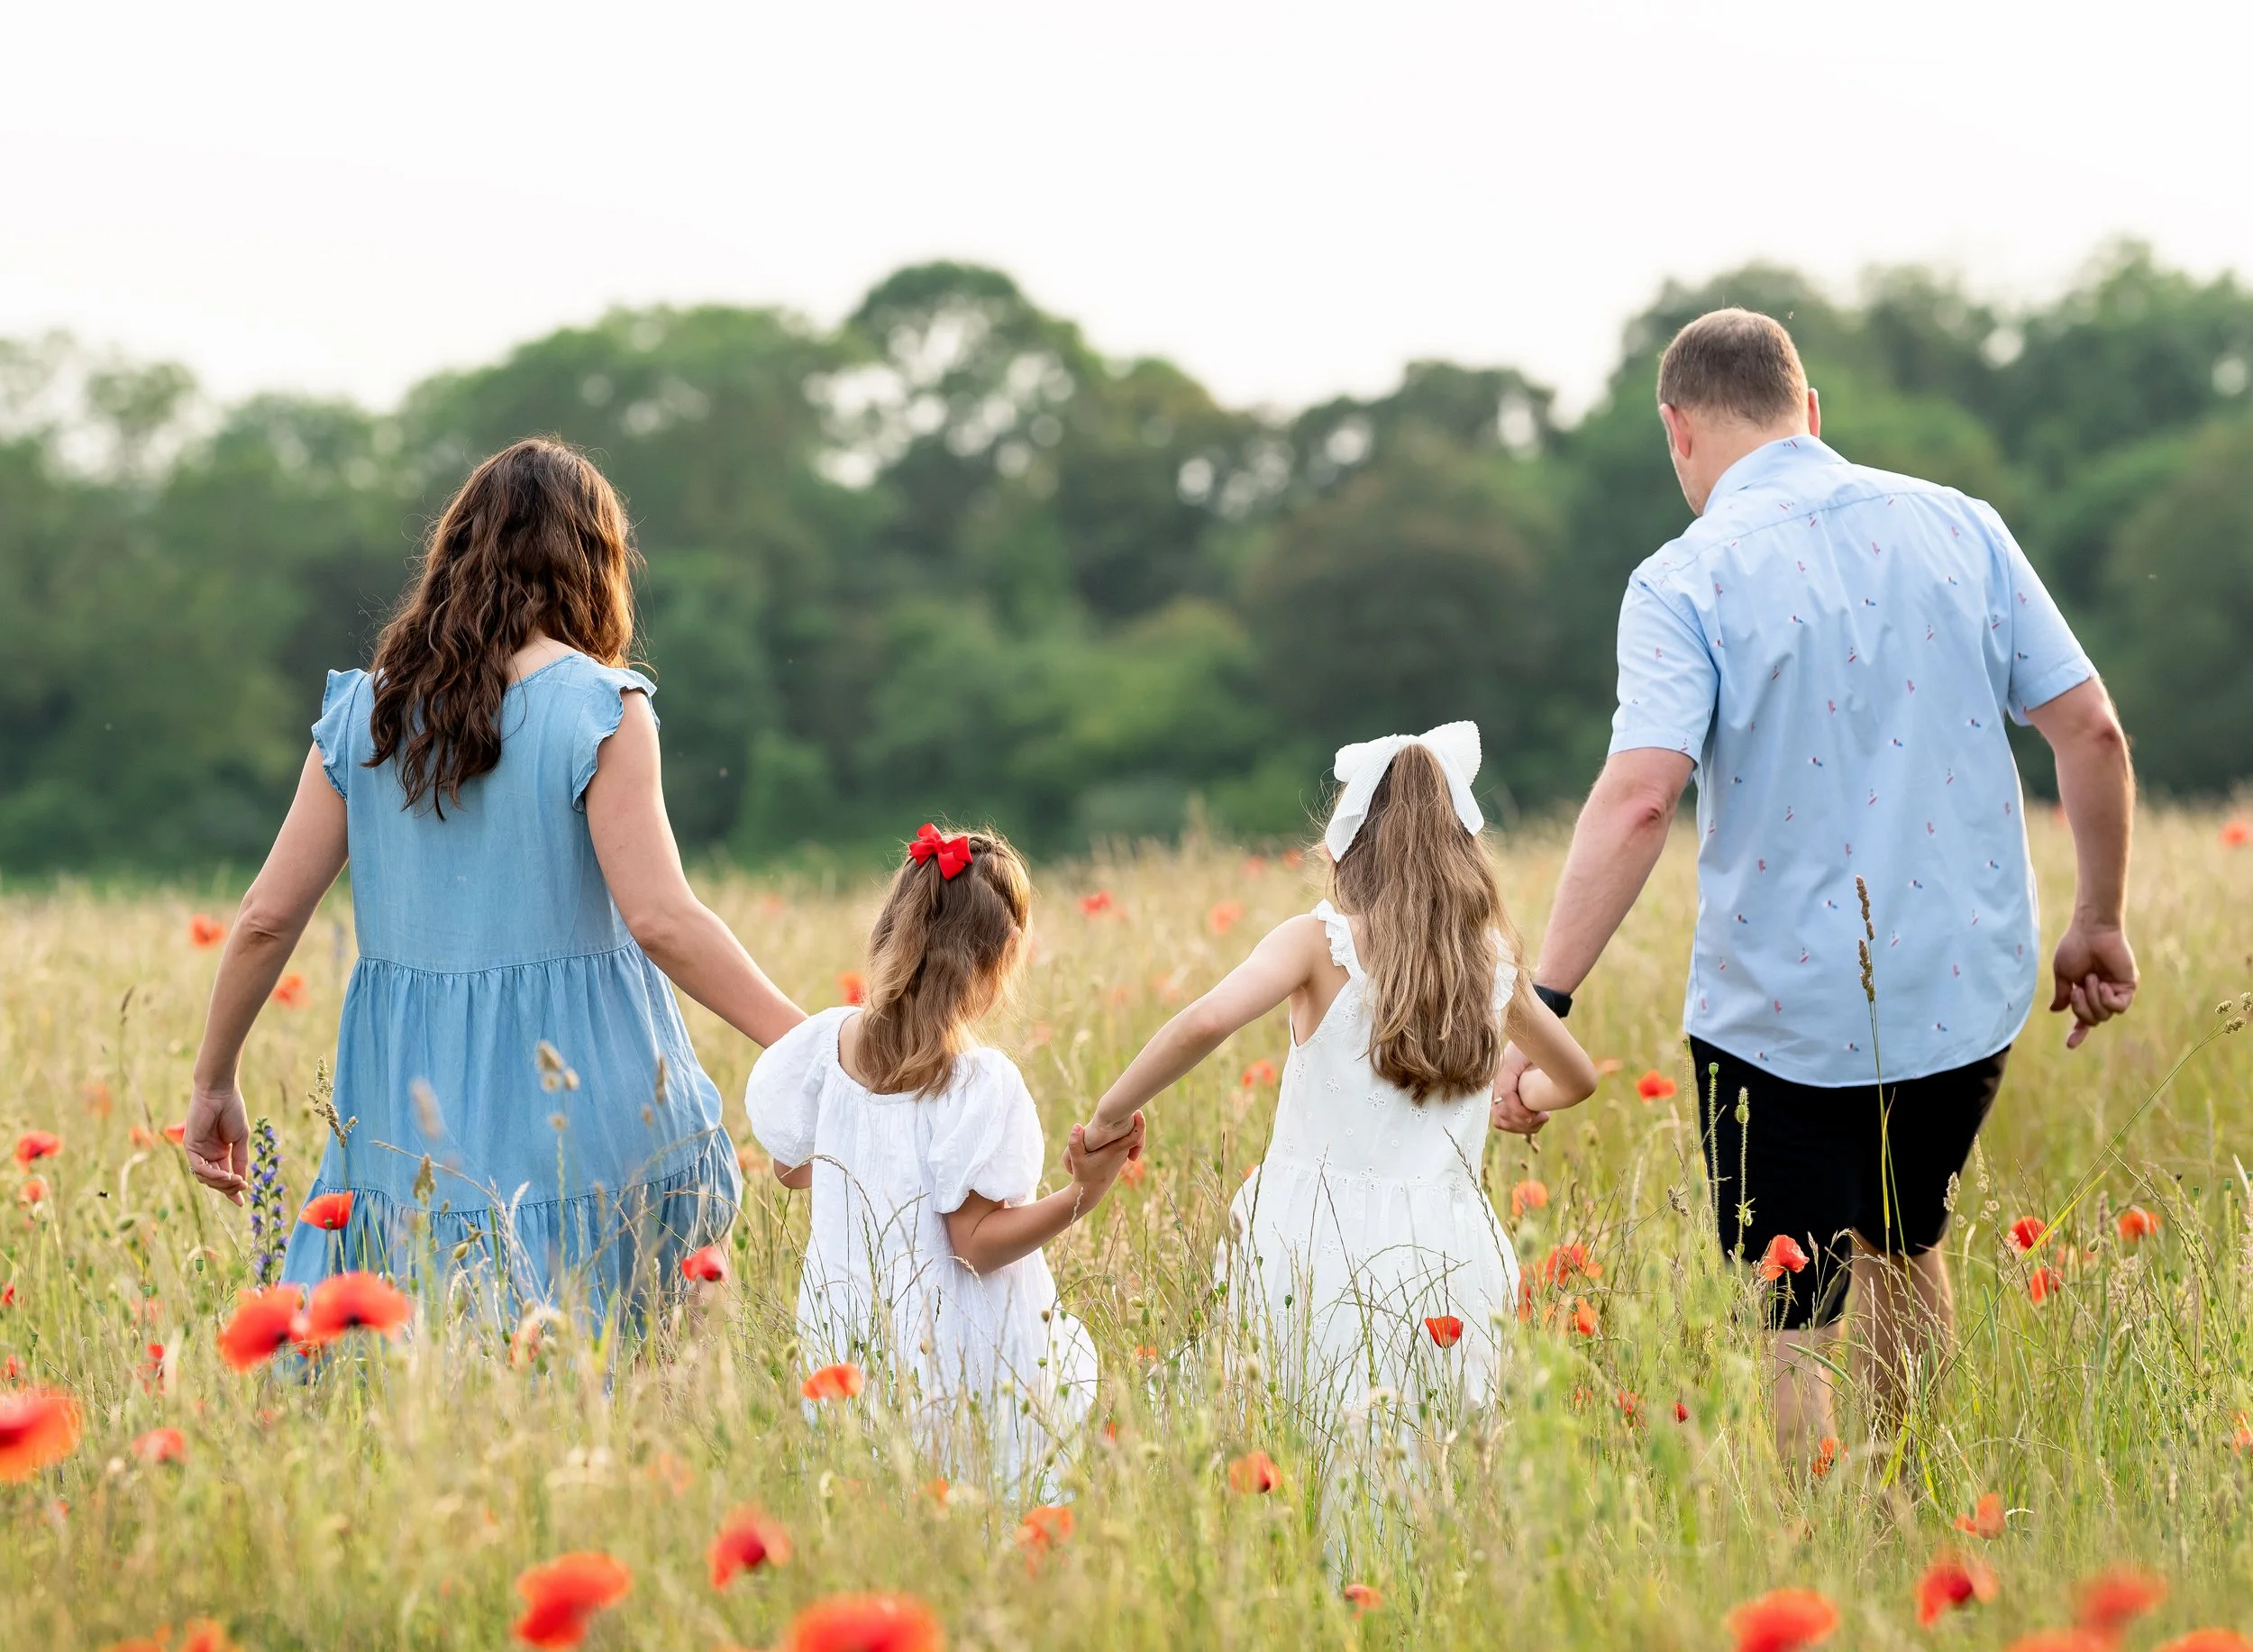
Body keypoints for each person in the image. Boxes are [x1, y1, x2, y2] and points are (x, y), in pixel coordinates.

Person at [1491, 309, 2137, 1459]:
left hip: (1779, 1010)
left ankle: (1830, 1562)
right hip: (1962, 988)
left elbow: (1642, 796)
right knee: (1905, 1238)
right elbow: (2089, 731)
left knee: (1793, 1318)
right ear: (1811, 412)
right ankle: (1926, 1506)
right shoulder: (1962, 526)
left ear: (1676, 432)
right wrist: (2097, 920)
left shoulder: (1681, 578)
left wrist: (1545, 1003)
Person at [185, 437, 803, 1327]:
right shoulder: (601, 705)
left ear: (456, 551)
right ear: (594, 564)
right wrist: (810, 1046)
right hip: (596, 1124)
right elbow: (662, 918)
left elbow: (265, 916)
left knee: (427, 1395)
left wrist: (214, 1079)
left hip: (408, 1138)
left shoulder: (368, 712)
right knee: (624, 1401)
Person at [1081, 726, 1597, 1427]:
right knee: (1428, 1436)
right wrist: (1522, 1096)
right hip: (1448, 1246)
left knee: (1306, 1422)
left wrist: (1111, 1112)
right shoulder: (1492, 960)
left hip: (1314, 1238)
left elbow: (1205, 1022)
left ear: (1349, 842)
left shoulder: (1318, 942)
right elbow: (1577, 1076)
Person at [745, 823, 1145, 1489]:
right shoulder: (981, 1084)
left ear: (890, 928)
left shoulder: (822, 1046)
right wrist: (1086, 1191)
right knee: (980, 1502)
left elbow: (791, 1169)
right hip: (959, 1359)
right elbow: (975, 1245)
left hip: (852, 1342)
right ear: (1004, 955)